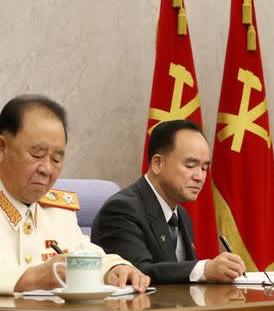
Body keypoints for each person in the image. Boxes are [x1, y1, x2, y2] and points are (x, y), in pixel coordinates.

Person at [0, 94, 149, 294]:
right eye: (37, 154)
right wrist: (30, 278)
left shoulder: (58, 211)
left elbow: (85, 253)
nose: (46, 169)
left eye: (56, 159)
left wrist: (114, 268)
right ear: (2, 148)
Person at [91, 120, 245, 284]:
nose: (199, 177)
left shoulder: (181, 215)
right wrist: (204, 269)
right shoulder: (121, 210)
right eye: (190, 165)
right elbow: (138, 274)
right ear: (158, 163)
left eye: (204, 168)